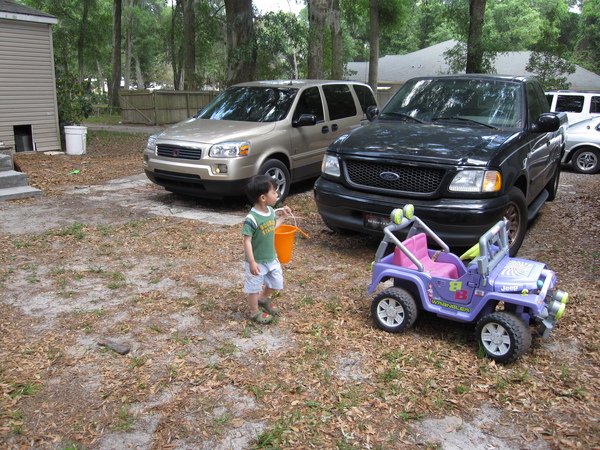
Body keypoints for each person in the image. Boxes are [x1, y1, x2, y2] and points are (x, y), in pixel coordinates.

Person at [242, 175, 292, 323]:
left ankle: (263, 298)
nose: (277, 194)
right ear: (263, 197)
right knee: (253, 287)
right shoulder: (251, 219)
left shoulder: (270, 211)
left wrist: (283, 217)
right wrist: (251, 262)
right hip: (257, 260)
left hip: (271, 257)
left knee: (276, 281)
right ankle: (254, 311)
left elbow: (271, 228)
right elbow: (247, 241)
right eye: (274, 192)